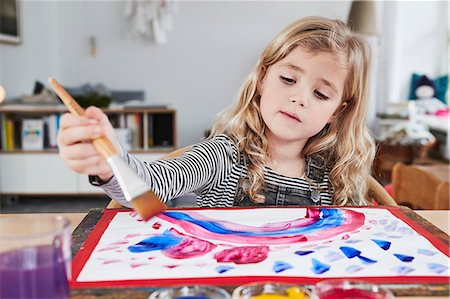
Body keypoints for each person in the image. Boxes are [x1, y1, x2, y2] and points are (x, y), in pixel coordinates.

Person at [57, 16, 375, 208]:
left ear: (337, 112)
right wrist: (109, 162)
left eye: (320, 94)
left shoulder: (336, 176)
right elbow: (148, 189)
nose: (299, 98)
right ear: (262, 78)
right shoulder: (222, 157)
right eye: (288, 79)